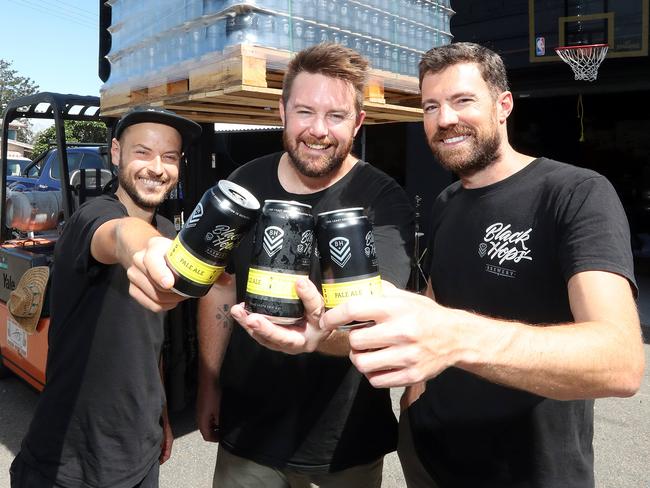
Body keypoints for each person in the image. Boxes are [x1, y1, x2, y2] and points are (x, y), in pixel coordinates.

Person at [320, 42, 646, 488]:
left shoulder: (575, 193)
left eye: (462, 100)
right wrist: (412, 407)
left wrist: (456, 338)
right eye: (430, 106)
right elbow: (437, 299)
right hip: (430, 460)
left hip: (529, 473)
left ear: (503, 105)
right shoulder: (447, 201)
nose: (445, 118)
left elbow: (620, 360)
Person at [196, 42, 414, 487]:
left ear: (358, 123)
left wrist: (317, 337)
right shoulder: (244, 185)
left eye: (336, 116)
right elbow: (220, 288)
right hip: (249, 431)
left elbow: (378, 316)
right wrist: (209, 382)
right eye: (304, 112)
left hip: (344, 443)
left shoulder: (383, 199)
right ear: (281, 111)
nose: (318, 130)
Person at [10, 106, 201, 488]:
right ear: (116, 153)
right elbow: (119, 234)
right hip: (72, 463)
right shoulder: (91, 218)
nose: (157, 168)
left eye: (169, 157)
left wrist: (160, 414)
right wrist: (147, 251)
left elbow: (150, 342)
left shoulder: (164, 228)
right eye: (142, 152)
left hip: (142, 451)